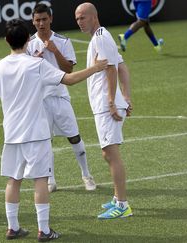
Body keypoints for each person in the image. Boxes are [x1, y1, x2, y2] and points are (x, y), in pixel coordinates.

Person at [0, 19, 107, 241]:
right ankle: (44, 230)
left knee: (13, 180)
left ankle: (13, 227)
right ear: (27, 40)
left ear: (6, 41)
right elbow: (68, 79)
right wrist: (96, 68)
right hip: (36, 133)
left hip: (11, 133)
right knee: (40, 180)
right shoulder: (36, 64)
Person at [27, 3, 96, 193]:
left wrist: (54, 51)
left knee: (74, 137)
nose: (41, 23)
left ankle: (86, 174)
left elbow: (69, 69)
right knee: (44, 140)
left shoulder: (63, 41)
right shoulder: (29, 45)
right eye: (37, 20)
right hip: (39, 101)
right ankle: (50, 178)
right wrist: (35, 61)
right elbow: (24, 74)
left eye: (44, 19)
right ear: (33, 21)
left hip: (60, 97)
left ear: (51, 19)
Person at [75, 2, 133, 219]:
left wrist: (111, 100)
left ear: (94, 16)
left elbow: (112, 68)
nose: (80, 22)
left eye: (83, 17)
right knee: (108, 154)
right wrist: (125, 96)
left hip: (106, 106)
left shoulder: (100, 36)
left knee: (111, 154)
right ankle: (118, 199)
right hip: (105, 104)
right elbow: (122, 66)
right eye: (77, 18)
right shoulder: (100, 37)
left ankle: (123, 205)